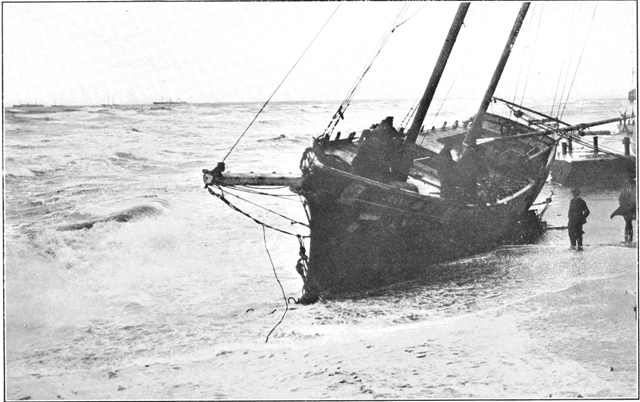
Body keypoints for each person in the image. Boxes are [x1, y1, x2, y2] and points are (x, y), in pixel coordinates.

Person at [610, 176, 636, 244]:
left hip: (631, 208)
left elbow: (622, 198)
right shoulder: (628, 188)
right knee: (628, 224)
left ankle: (628, 240)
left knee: (628, 224)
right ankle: (628, 240)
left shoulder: (631, 188)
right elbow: (621, 198)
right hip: (629, 208)